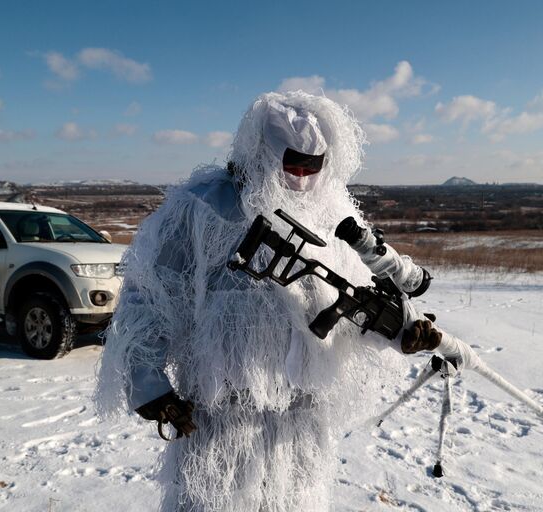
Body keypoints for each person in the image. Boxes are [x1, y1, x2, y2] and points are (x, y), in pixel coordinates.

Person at [95, 91, 476, 511]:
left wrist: (403, 333)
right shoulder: (203, 207)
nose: (299, 177)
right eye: (290, 163)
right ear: (262, 153)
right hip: (223, 412)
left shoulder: (331, 213)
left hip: (303, 418)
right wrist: (149, 384)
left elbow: (356, 300)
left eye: (312, 167)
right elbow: (151, 294)